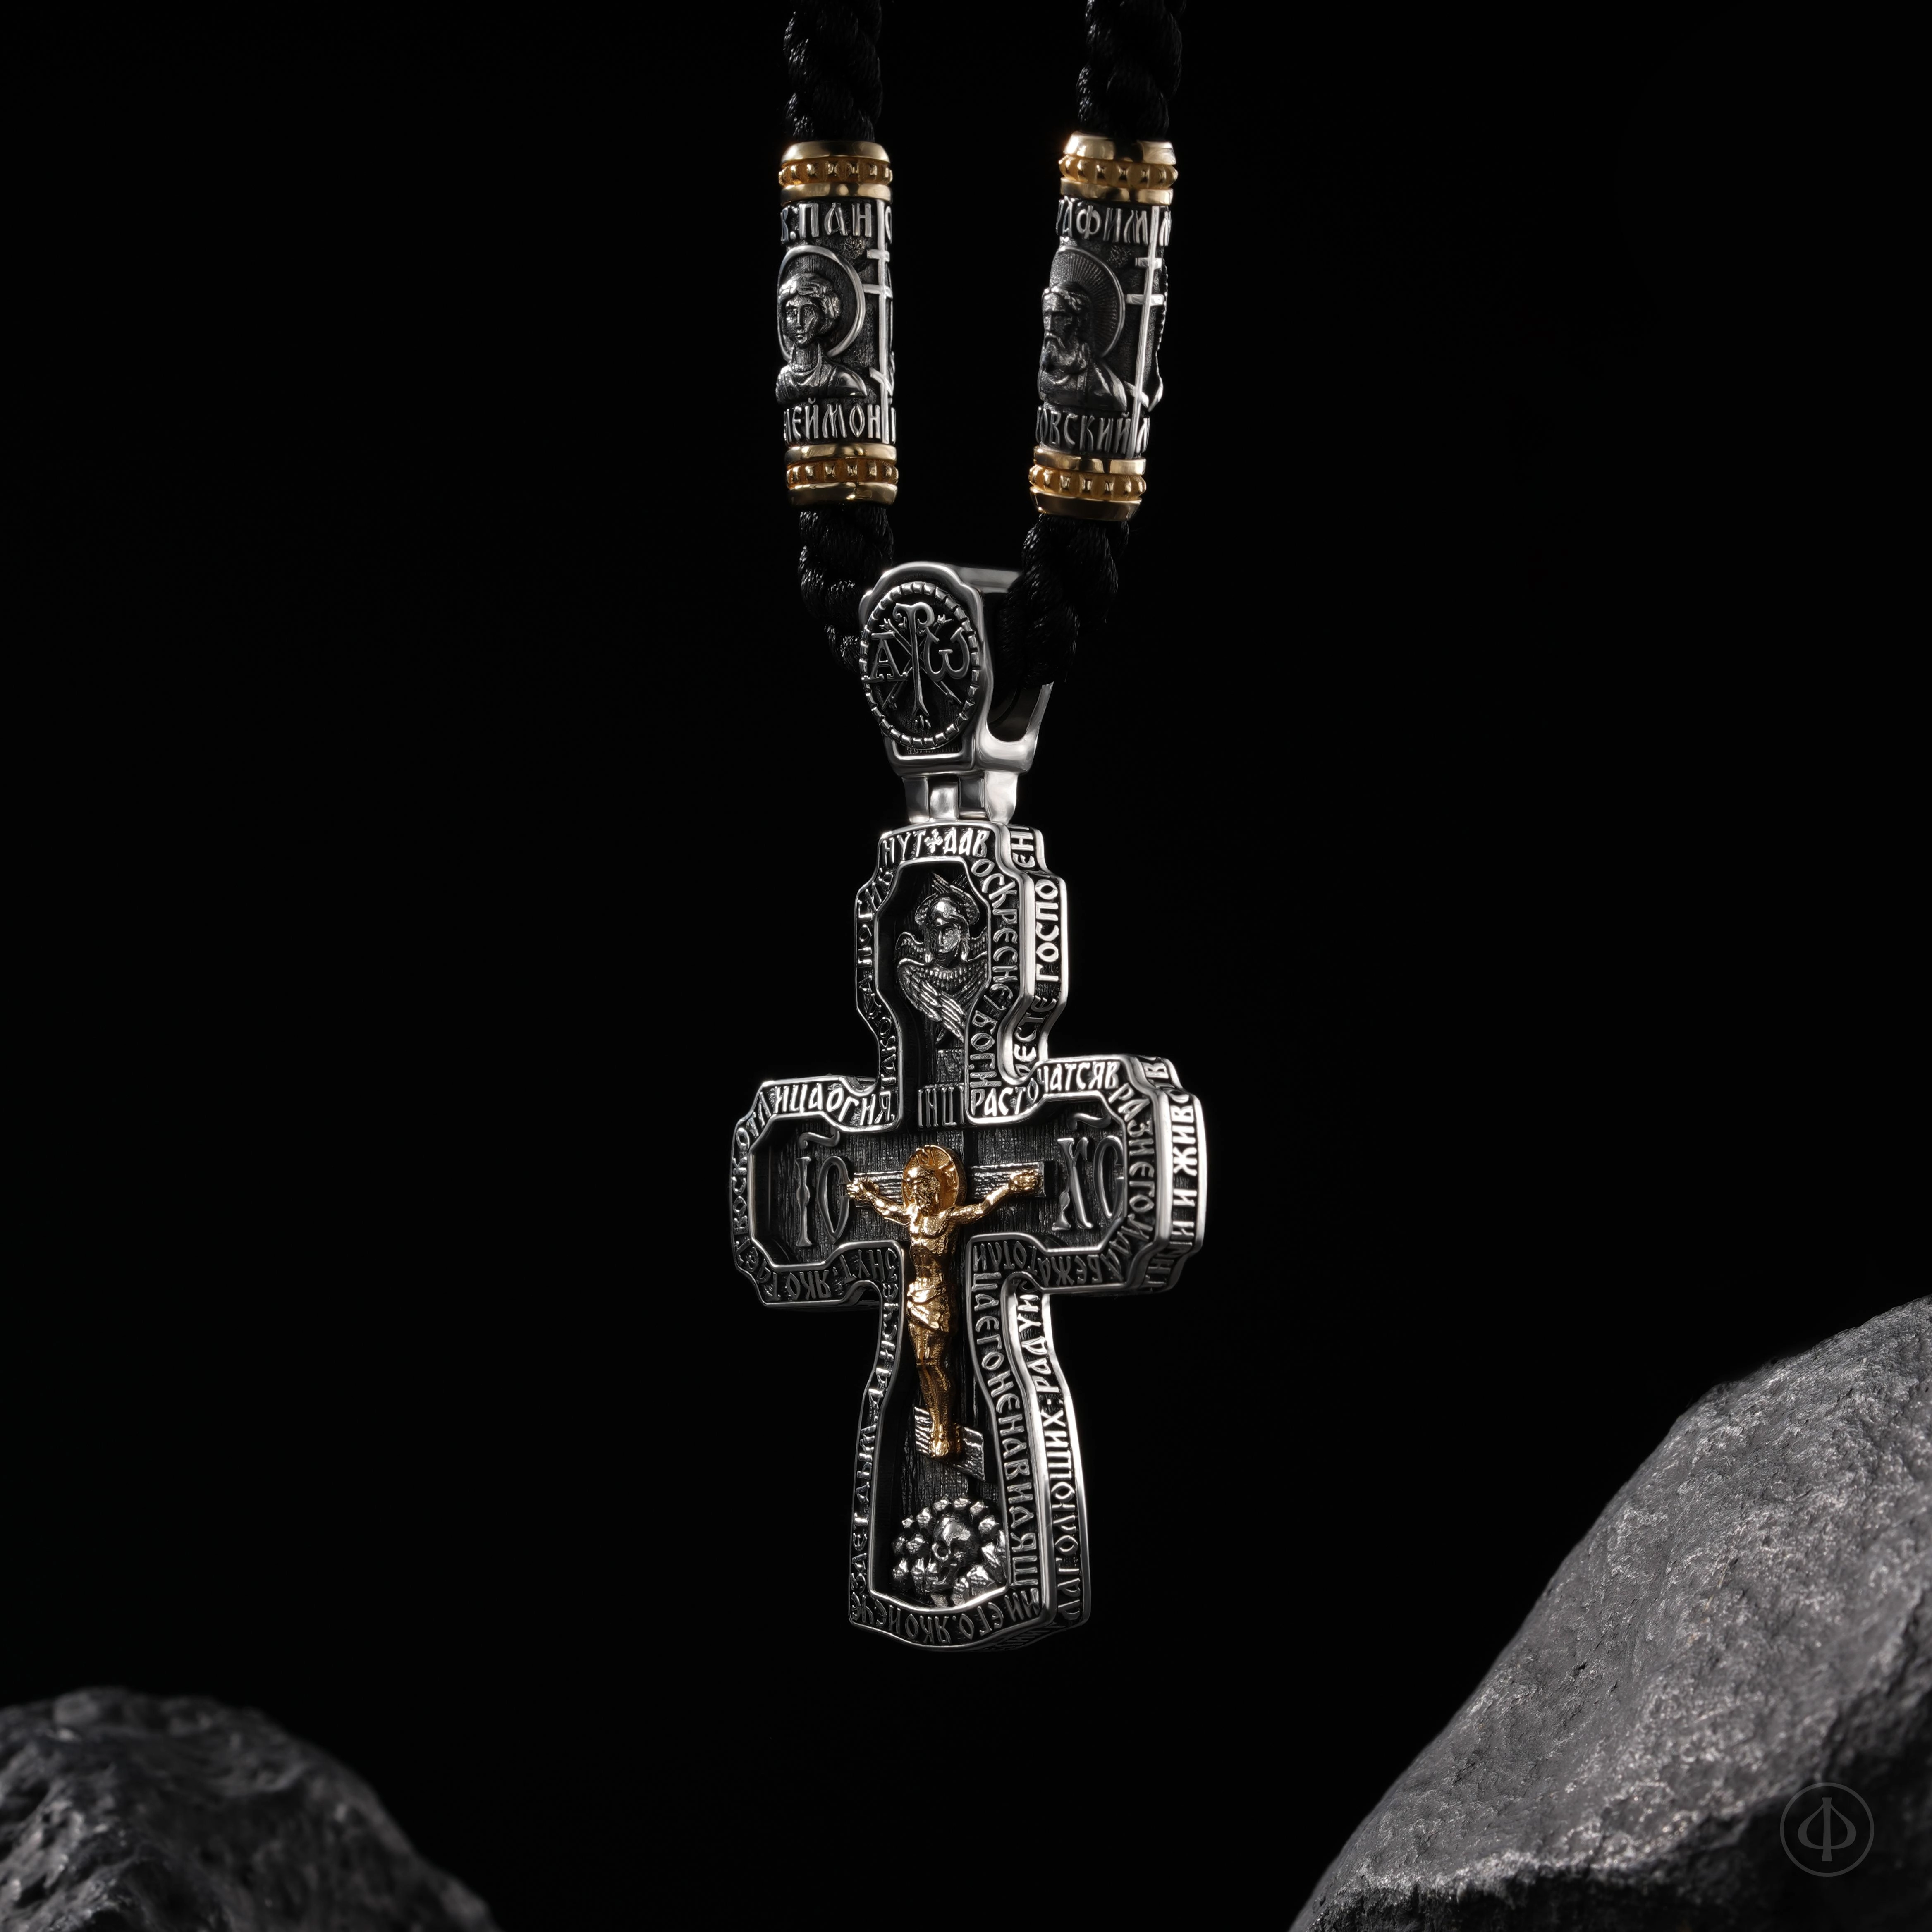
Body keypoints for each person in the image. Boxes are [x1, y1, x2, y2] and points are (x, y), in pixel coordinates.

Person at [848, 1147, 1041, 1458]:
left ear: (931, 1187)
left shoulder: (948, 1218)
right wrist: (868, 1195)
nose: (913, 1193)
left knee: (936, 1362)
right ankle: (937, 1420)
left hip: (939, 1296)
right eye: (910, 1188)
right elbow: (887, 1209)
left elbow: (980, 1210)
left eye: (918, 1187)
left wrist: (1009, 1187)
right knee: (922, 1363)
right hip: (916, 1296)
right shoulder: (912, 1217)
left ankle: (944, 1427)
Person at [775, 268, 868, 402]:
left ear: (823, 317)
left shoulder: (842, 380)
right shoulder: (783, 382)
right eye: (792, 313)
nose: (799, 324)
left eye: (808, 311)